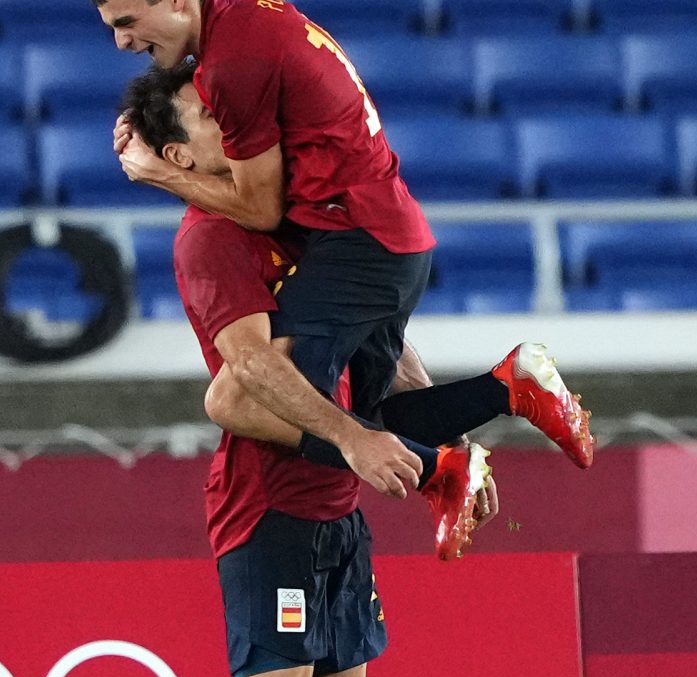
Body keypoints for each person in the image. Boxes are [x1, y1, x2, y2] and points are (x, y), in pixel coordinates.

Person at [119, 61, 595, 677]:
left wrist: (430, 411)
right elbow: (244, 383)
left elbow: (375, 329)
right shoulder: (211, 242)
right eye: (210, 117)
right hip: (271, 504)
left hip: (339, 500)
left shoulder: (291, 210)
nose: (236, 120)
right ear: (182, 153)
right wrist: (371, 440)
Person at [95, 0, 597, 517]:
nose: (121, 42)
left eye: (127, 23)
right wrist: (455, 433)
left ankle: (450, 464)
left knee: (238, 401)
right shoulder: (248, 22)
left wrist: (155, 172)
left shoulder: (232, 66)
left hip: (357, 237)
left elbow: (260, 209)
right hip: (388, 234)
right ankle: (500, 396)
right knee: (361, 412)